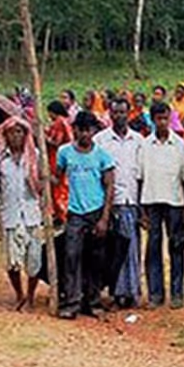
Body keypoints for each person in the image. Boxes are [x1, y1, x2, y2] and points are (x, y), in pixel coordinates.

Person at [55, 111, 116, 319]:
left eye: (89, 130)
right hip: (75, 213)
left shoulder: (102, 155)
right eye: (81, 130)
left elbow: (109, 187)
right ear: (75, 130)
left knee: (96, 258)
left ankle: (94, 301)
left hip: (96, 211)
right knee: (71, 256)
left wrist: (104, 218)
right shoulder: (64, 153)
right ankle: (72, 302)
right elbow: (57, 178)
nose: (85, 134)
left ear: (93, 131)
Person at [94, 97, 145, 309]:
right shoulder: (101, 140)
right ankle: (115, 293)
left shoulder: (139, 140)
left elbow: (142, 174)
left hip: (131, 201)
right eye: (115, 113)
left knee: (131, 250)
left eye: (123, 112)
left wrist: (142, 207)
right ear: (110, 114)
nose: (119, 117)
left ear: (129, 113)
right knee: (112, 252)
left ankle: (131, 292)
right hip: (110, 204)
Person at [141, 102, 184, 309]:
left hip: (175, 201)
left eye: (165, 118)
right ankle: (155, 294)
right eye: (158, 118)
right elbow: (139, 178)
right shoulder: (144, 145)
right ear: (152, 120)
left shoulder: (180, 144)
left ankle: (177, 293)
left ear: (170, 118)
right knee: (153, 247)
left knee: (176, 246)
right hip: (151, 200)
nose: (162, 122)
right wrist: (141, 210)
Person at [0, 116, 45, 311]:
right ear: (5, 135)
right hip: (10, 214)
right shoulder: (0, 159)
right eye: (11, 132)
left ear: (25, 135)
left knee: (34, 259)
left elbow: (41, 182)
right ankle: (19, 294)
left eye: (19, 132)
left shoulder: (35, 156)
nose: (16, 136)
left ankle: (31, 296)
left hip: (32, 214)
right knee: (12, 261)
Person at [44, 101, 73, 226]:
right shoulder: (65, 121)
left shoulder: (59, 123)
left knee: (57, 186)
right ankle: (60, 214)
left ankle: (62, 214)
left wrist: (43, 137)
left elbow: (56, 142)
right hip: (64, 157)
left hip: (56, 158)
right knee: (61, 186)